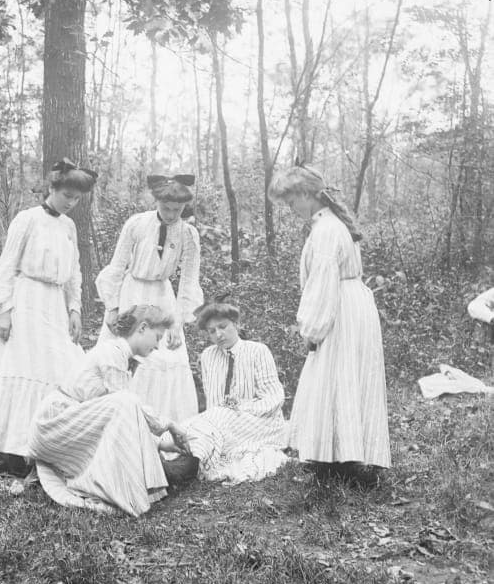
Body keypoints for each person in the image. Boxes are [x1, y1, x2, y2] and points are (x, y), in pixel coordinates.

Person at [0, 158, 97, 472]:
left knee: (61, 366)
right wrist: (3, 310)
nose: (71, 203)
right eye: (66, 196)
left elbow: (74, 272)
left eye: (76, 199)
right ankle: (13, 450)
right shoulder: (27, 219)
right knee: (23, 367)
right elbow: (6, 266)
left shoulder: (69, 226)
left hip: (54, 305)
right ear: (51, 188)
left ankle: (48, 445)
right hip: (25, 301)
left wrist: (74, 308)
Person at [268, 163, 390, 470]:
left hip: (340, 308)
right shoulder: (330, 225)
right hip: (351, 304)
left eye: (292, 201)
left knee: (340, 377)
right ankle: (339, 456)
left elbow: (321, 284)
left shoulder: (326, 230)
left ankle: (344, 460)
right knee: (340, 379)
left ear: (308, 195)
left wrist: (311, 330)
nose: (291, 208)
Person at [28, 305, 190, 516]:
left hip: (72, 426)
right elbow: (127, 403)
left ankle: (128, 483)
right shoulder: (112, 352)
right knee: (124, 401)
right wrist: (167, 424)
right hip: (54, 425)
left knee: (125, 404)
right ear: (142, 328)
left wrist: (164, 443)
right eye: (157, 337)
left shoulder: (121, 356)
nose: (158, 346)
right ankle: (118, 491)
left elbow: (128, 420)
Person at [95, 174, 203, 420]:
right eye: (167, 208)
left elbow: (188, 281)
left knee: (168, 353)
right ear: (157, 202)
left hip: (163, 297)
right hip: (132, 293)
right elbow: (117, 266)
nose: (172, 213)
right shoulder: (137, 224)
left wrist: (177, 321)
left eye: (178, 209)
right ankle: (121, 422)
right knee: (125, 352)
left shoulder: (188, 234)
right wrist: (112, 307)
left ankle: (163, 430)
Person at [160, 301, 290, 485]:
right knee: (185, 425)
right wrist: (224, 413)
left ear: (236, 324)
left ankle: (187, 468)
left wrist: (241, 407)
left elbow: (274, 398)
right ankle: (162, 464)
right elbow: (214, 402)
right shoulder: (208, 356)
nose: (218, 334)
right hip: (223, 421)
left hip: (261, 420)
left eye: (223, 327)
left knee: (216, 417)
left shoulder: (258, 350)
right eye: (212, 331)